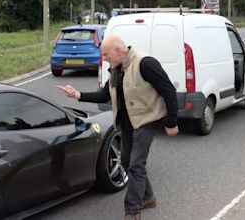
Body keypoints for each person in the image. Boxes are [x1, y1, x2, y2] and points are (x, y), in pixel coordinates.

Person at [56, 35, 179, 220]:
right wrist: (78, 95)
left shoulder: (145, 64)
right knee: (127, 162)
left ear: (119, 51)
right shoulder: (115, 69)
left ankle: (132, 211)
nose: (103, 58)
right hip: (127, 121)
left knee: (137, 165)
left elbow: (168, 90)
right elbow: (104, 95)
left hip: (147, 119)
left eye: (106, 54)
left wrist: (171, 121)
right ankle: (148, 197)